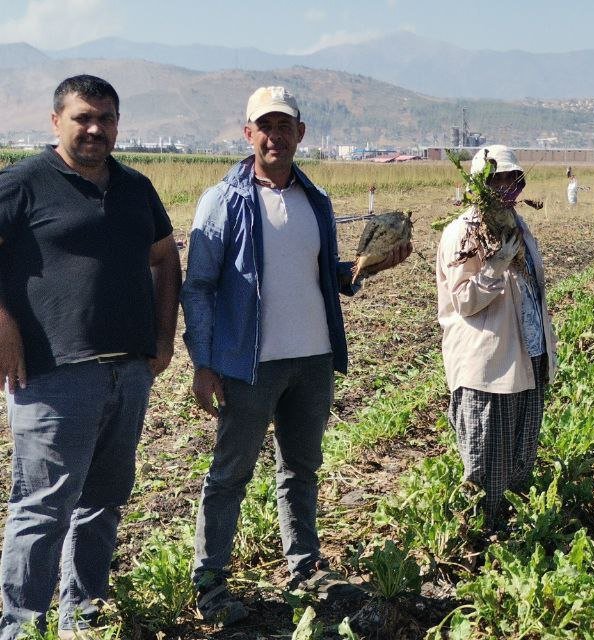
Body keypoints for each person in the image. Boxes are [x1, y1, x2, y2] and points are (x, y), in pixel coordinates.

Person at [181, 86, 410, 625]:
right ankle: (210, 580)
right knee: (230, 473)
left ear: (300, 134)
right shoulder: (224, 200)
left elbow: (325, 275)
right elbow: (199, 285)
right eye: (264, 126)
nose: (274, 136)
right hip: (249, 363)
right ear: (248, 134)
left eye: (285, 126)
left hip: (312, 358)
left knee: (301, 467)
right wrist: (204, 361)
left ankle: (304, 566)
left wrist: (365, 267)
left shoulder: (316, 200)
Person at [0, 74, 180, 639]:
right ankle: (21, 628)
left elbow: (163, 259)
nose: (95, 129)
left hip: (127, 372)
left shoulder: (135, 188)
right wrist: (2, 323)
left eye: (106, 118)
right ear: (57, 121)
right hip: (53, 375)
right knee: (42, 510)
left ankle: (85, 622)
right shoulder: (23, 183)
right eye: (83, 117)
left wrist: (164, 333)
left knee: (103, 503)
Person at [436, 144, 557, 530]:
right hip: (487, 369)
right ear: (478, 184)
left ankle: (512, 538)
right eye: (496, 179)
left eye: (512, 178)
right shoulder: (463, 232)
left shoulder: (520, 226)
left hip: (527, 358)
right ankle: (478, 545)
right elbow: (463, 300)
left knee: (521, 459)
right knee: (485, 466)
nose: (505, 186)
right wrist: (494, 267)